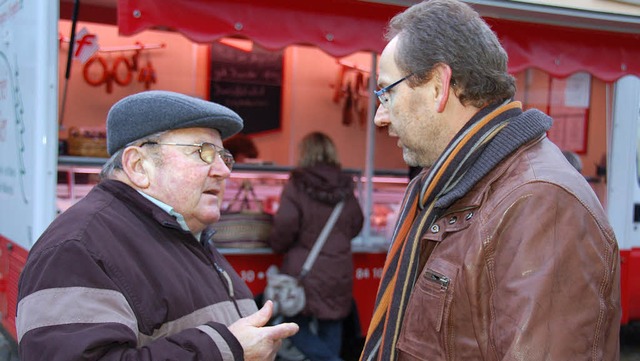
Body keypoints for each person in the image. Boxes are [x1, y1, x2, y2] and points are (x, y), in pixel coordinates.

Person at [362, 1, 621, 360]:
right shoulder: (449, 185)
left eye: (387, 92)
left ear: (439, 85)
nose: (380, 116)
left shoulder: (541, 201)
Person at [16, 90, 298, 360]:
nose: (224, 171)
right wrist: (227, 350)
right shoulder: (77, 248)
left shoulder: (180, 230)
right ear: (138, 165)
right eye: (203, 152)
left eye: (224, 157)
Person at [268, 132, 364, 361]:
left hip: (305, 271)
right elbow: (357, 223)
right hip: (339, 271)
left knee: (290, 321)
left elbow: (285, 225)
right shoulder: (345, 186)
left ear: (305, 153)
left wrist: (276, 244)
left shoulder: (297, 184)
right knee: (332, 323)